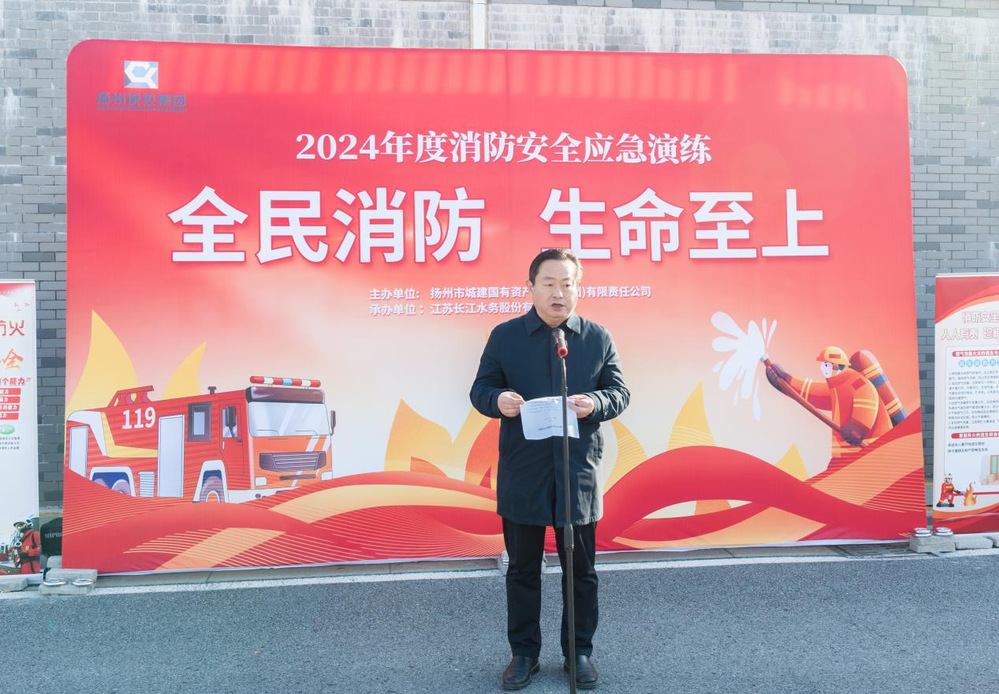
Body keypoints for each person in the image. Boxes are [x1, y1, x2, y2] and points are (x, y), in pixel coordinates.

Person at [470, 249, 630, 691]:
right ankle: (524, 654)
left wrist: (594, 403)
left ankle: (579, 652)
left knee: (581, 571)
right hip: (524, 471)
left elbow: (619, 392)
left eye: (567, 284)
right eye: (549, 284)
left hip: (577, 473)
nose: (559, 293)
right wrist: (497, 400)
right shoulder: (505, 337)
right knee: (523, 569)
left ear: (578, 289)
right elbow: (481, 389)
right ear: (531, 287)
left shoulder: (596, 337)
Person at [766, 346, 891, 461]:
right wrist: (785, 380)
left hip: (867, 454)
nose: (822, 368)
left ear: (837, 366)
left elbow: (867, 405)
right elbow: (812, 392)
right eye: (822, 365)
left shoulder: (858, 383)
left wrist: (856, 431)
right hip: (843, 456)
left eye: (826, 365)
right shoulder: (837, 386)